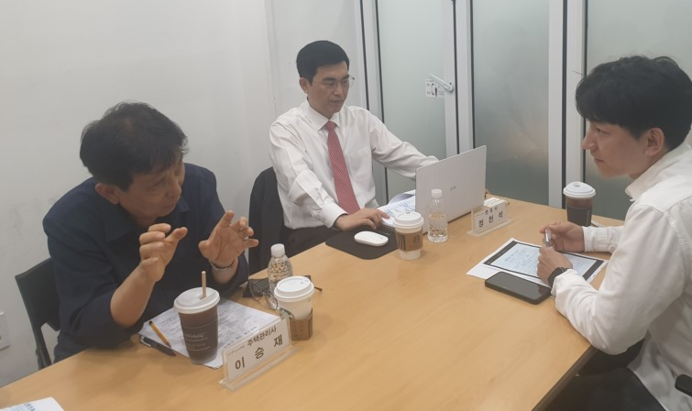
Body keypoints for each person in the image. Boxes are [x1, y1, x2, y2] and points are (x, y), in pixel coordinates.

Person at [537, 56, 692, 411]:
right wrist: (589, 238)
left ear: (652, 140)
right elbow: (681, 246)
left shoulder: (661, 209)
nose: (587, 143)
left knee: (548, 396)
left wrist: (560, 275)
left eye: (601, 131)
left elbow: (609, 333)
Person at [43, 102, 257, 361]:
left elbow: (222, 287)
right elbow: (91, 327)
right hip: (113, 356)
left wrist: (223, 264)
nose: (176, 190)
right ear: (110, 192)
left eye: (178, 168)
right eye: (157, 184)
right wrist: (144, 277)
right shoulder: (70, 221)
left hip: (187, 341)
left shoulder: (198, 184)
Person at [270, 40, 437, 255]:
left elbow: (402, 154)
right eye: (329, 83)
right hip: (317, 233)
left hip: (370, 221)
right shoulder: (285, 129)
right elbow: (301, 182)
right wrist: (340, 217)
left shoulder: (360, 119)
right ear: (304, 84)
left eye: (345, 81)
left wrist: (446, 177)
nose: (340, 92)